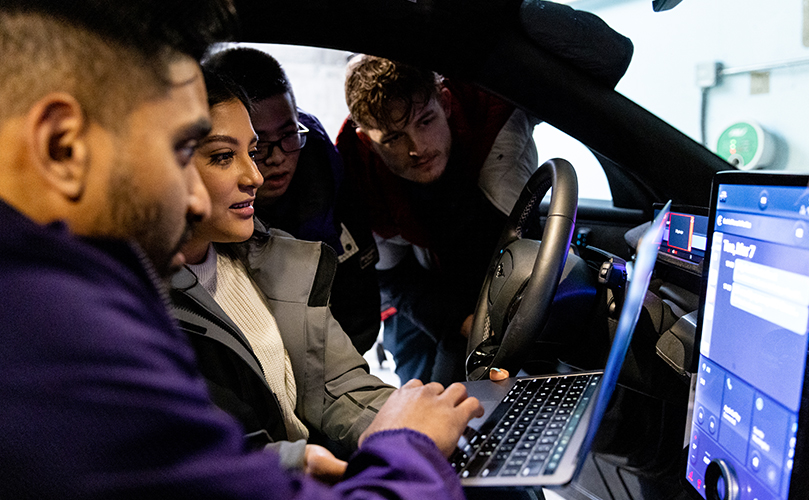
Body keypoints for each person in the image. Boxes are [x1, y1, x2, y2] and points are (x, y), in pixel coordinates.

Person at [0, 2, 483, 498]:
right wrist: (409, 448)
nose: (192, 197)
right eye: (184, 151)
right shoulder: (59, 343)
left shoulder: (64, 304)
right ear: (62, 147)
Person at [170, 69, 393, 480]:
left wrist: (407, 419)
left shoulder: (270, 258)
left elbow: (336, 385)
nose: (254, 176)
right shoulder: (143, 307)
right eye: (222, 156)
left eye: (250, 152)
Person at [337, 55, 542, 385]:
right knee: (424, 382)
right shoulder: (361, 181)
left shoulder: (495, 122)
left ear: (445, 102)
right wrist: (462, 321)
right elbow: (395, 279)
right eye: (393, 138)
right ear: (367, 142)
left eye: (425, 121)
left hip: (496, 269)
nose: (417, 148)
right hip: (430, 289)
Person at [203, 47, 381, 355]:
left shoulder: (328, 175)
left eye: (288, 135)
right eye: (258, 144)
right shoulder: (202, 229)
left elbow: (360, 308)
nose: (278, 158)